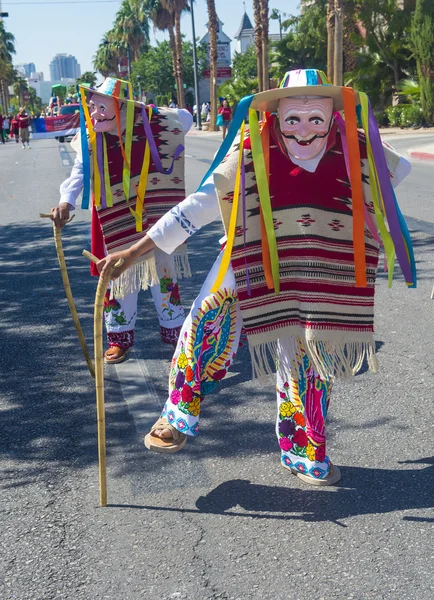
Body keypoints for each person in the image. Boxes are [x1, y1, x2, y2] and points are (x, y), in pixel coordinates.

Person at [97, 69, 415, 485]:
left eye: (316, 119)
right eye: (292, 119)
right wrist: (135, 251)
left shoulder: (356, 150)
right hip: (249, 259)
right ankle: (176, 416)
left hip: (318, 267)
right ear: (274, 118)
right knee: (205, 321)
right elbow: (199, 206)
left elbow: (401, 170)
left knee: (308, 358)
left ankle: (305, 450)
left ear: (333, 118)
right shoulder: (250, 151)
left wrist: (365, 139)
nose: (304, 130)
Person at [50, 78, 193, 363]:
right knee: (119, 278)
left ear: (124, 107)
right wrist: (66, 200)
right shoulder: (91, 140)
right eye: (92, 108)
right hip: (115, 217)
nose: (95, 114)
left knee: (164, 277)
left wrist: (145, 110)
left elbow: (185, 118)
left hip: (154, 216)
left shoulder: (154, 124)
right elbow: (80, 173)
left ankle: (176, 335)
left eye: (102, 108)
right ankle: (119, 339)